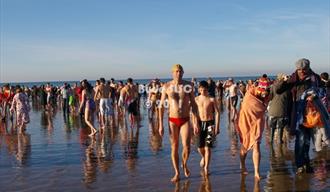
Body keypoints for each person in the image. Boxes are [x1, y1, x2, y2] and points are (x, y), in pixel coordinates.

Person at [276, 58, 324, 174]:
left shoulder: (315, 78)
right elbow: (278, 90)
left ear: (308, 68)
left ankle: (306, 163)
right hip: (297, 115)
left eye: (304, 69)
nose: (301, 72)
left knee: (307, 141)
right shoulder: (292, 78)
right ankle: (299, 165)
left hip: (312, 115)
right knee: (301, 139)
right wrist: (282, 81)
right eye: (299, 69)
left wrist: (314, 96)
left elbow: (322, 90)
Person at [158, 64, 199, 182]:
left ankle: (184, 164)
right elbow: (160, 106)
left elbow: (194, 105)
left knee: (187, 146)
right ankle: (177, 173)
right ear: (172, 73)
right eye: (176, 71)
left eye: (180, 71)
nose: (178, 73)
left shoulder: (189, 85)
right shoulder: (166, 86)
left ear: (183, 72)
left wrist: (195, 122)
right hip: (172, 120)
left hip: (185, 119)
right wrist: (160, 124)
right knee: (174, 147)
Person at [237, 76, 271, 181]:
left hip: (258, 121)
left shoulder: (267, 95)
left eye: (265, 90)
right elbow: (246, 104)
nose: (263, 93)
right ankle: (242, 164)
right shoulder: (250, 93)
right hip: (245, 121)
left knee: (256, 144)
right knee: (245, 146)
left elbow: (265, 105)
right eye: (262, 90)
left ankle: (256, 171)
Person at [194, 81, 220, 175]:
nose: (202, 91)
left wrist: (217, 126)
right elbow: (194, 113)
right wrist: (195, 124)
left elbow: (217, 113)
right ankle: (203, 157)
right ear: (198, 89)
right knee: (199, 147)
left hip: (210, 124)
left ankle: (206, 168)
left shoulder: (212, 99)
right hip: (200, 124)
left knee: (208, 148)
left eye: (204, 90)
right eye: (200, 90)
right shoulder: (196, 99)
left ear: (207, 89)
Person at [268, 74, 291, 144]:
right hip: (282, 109)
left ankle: (271, 140)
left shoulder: (273, 86)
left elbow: (270, 97)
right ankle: (280, 140)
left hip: (272, 109)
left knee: (272, 126)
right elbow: (289, 100)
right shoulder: (288, 88)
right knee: (281, 126)